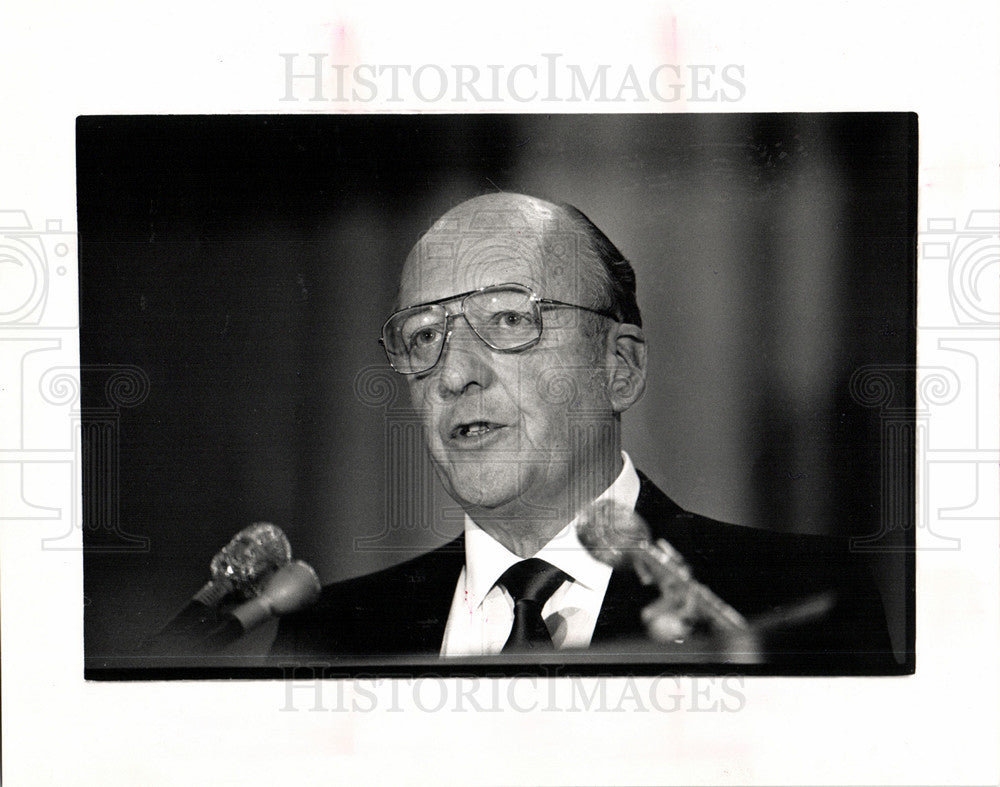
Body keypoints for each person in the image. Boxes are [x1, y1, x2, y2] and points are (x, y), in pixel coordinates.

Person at [272, 192, 896, 669]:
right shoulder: (332, 635)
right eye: (425, 337)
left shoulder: (795, 602)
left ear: (618, 369)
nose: (454, 374)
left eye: (511, 318)